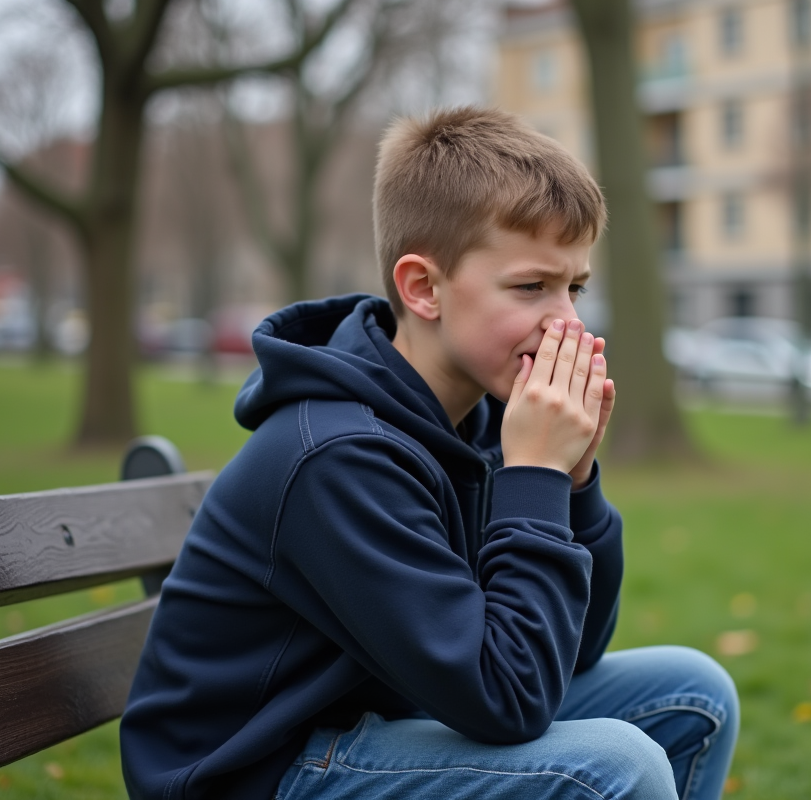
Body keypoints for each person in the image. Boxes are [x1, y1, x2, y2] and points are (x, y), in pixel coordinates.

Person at [120, 106, 738, 800]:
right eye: (531, 286)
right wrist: (534, 475)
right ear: (423, 288)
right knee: (616, 766)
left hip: (384, 720)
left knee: (694, 694)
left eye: (575, 288)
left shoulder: (483, 420)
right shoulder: (338, 456)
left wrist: (573, 481)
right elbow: (509, 699)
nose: (568, 322)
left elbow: (571, 655)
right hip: (258, 770)